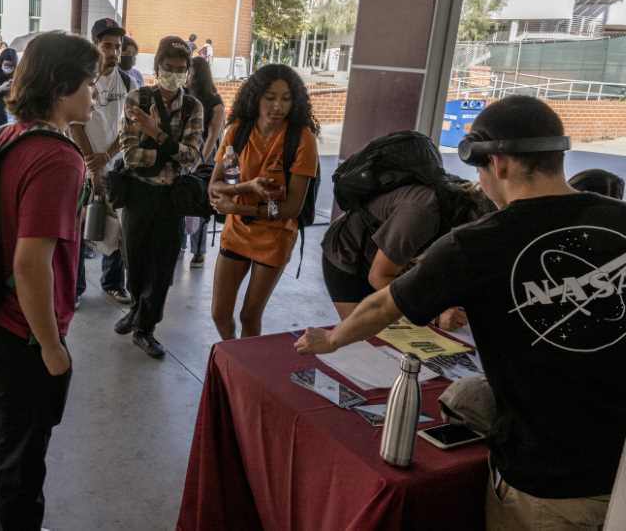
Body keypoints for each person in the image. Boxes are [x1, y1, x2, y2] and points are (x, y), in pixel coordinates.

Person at [296, 96, 626, 530]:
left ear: (499, 163)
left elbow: (384, 301)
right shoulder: (619, 219)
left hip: (546, 486)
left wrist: (332, 339)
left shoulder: (479, 242)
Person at [0, 31, 98, 531]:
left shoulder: (7, 136)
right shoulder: (60, 159)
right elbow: (30, 263)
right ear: (63, 86)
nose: (94, 94)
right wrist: (51, 347)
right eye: (88, 83)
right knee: (20, 472)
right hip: (22, 334)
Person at [207, 64, 319, 339]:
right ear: (256, 97)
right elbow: (215, 186)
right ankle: (232, 356)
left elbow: (292, 208)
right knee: (220, 314)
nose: (278, 106)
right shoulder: (238, 131)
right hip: (236, 232)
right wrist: (249, 187)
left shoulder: (301, 138)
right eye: (270, 97)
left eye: (286, 98)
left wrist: (239, 206)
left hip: (275, 237)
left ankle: (245, 369)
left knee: (249, 315)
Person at [114, 35, 204, 358]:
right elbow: (129, 156)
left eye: (182, 69)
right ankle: (137, 307)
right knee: (134, 261)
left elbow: (193, 158)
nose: (175, 74)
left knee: (163, 267)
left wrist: (155, 135)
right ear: (157, 67)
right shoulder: (136, 99)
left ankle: (146, 328)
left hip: (171, 199)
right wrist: (170, 152)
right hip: (138, 195)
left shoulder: (194, 107)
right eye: (169, 67)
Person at [321, 173, 494, 329]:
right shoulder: (422, 212)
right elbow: (378, 277)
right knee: (368, 334)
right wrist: (434, 314)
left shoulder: (463, 205)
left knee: (403, 323)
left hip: (393, 256)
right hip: (349, 252)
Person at [69, 18, 133, 307]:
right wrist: (91, 162)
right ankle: (76, 288)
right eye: (107, 45)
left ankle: (113, 283)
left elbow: (131, 126)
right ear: (94, 46)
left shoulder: (129, 81)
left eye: (117, 47)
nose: (113, 52)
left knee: (117, 226)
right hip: (82, 162)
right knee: (79, 227)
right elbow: (74, 123)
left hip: (116, 162)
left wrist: (108, 155)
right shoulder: (81, 80)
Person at [183, 55, 225, 268]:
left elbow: (213, 135)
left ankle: (198, 252)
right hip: (184, 156)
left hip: (204, 160)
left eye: (189, 71)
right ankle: (180, 247)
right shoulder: (183, 94)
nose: (186, 76)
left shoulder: (213, 100)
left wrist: (199, 161)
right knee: (182, 203)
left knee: (198, 206)